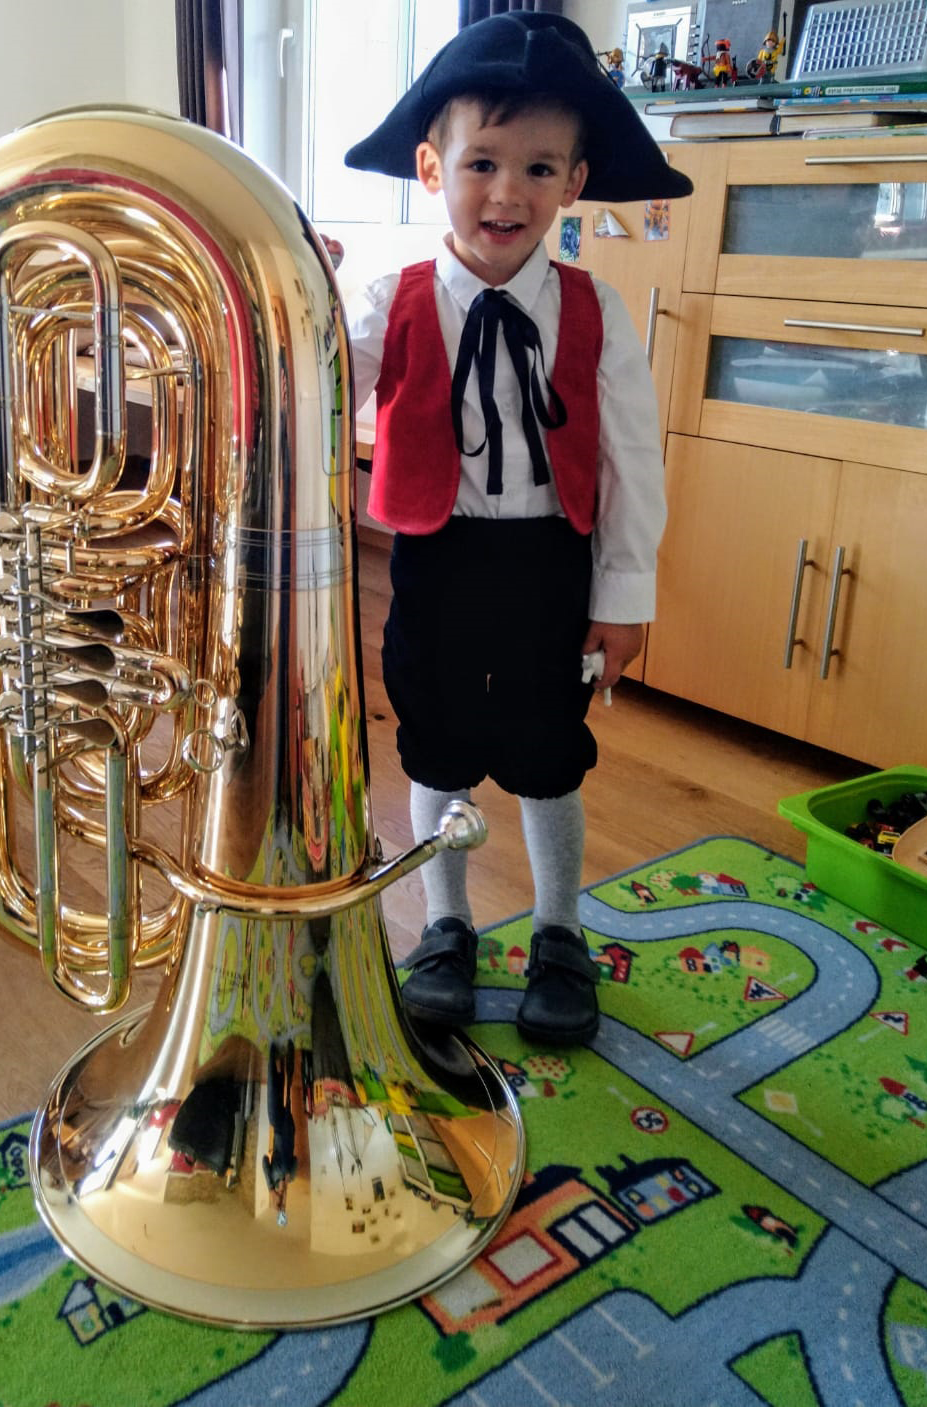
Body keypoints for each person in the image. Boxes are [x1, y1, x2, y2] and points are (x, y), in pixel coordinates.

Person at [340, 13, 691, 1046]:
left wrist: (624, 596)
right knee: (436, 747)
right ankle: (446, 926)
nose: (508, 192)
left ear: (575, 181)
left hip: (550, 566)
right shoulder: (389, 300)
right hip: (437, 558)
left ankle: (558, 931)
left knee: (548, 751)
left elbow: (633, 461)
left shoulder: (598, 313)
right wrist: (301, 305)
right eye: (482, 162)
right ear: (430, 167)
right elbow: (315, 393)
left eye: (539, 168)